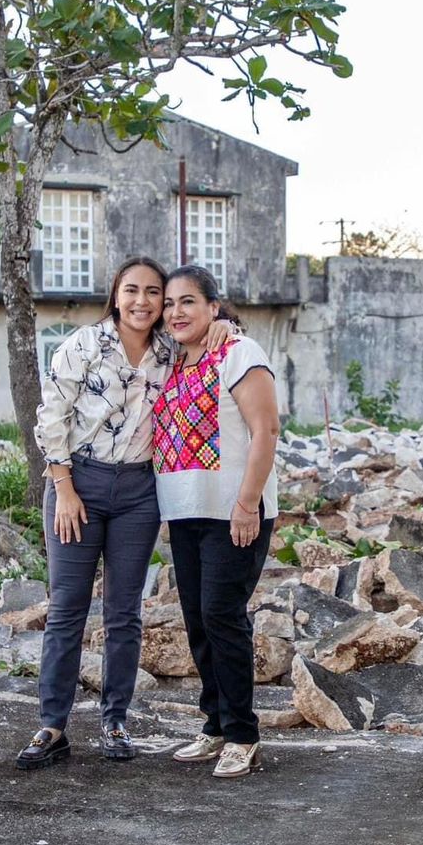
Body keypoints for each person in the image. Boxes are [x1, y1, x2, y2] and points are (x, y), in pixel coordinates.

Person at [16, 256, 232, 770]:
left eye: (154, 292)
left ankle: (115, 720)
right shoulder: (83, 345)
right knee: (67, 608)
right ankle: (52, 725)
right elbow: (51, 418)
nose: (143, 301)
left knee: (123, 613)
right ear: (115, 294)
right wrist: (64, 487)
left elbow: (210, 331)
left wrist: (224, 323)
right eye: (131, 290)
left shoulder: (170, 351)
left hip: (139, 491)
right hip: (77, 486)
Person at [153, 264, 280, 779]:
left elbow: (266, 430)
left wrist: (248, 503)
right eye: (169, 304)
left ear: (213, 307)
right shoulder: (173, 363)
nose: (175, 312)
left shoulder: (240, 353)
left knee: (223, 616)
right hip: (185, 512)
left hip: (234, 511)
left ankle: (243, 735)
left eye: (188, 302)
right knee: (199, 621)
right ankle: (215, 725)